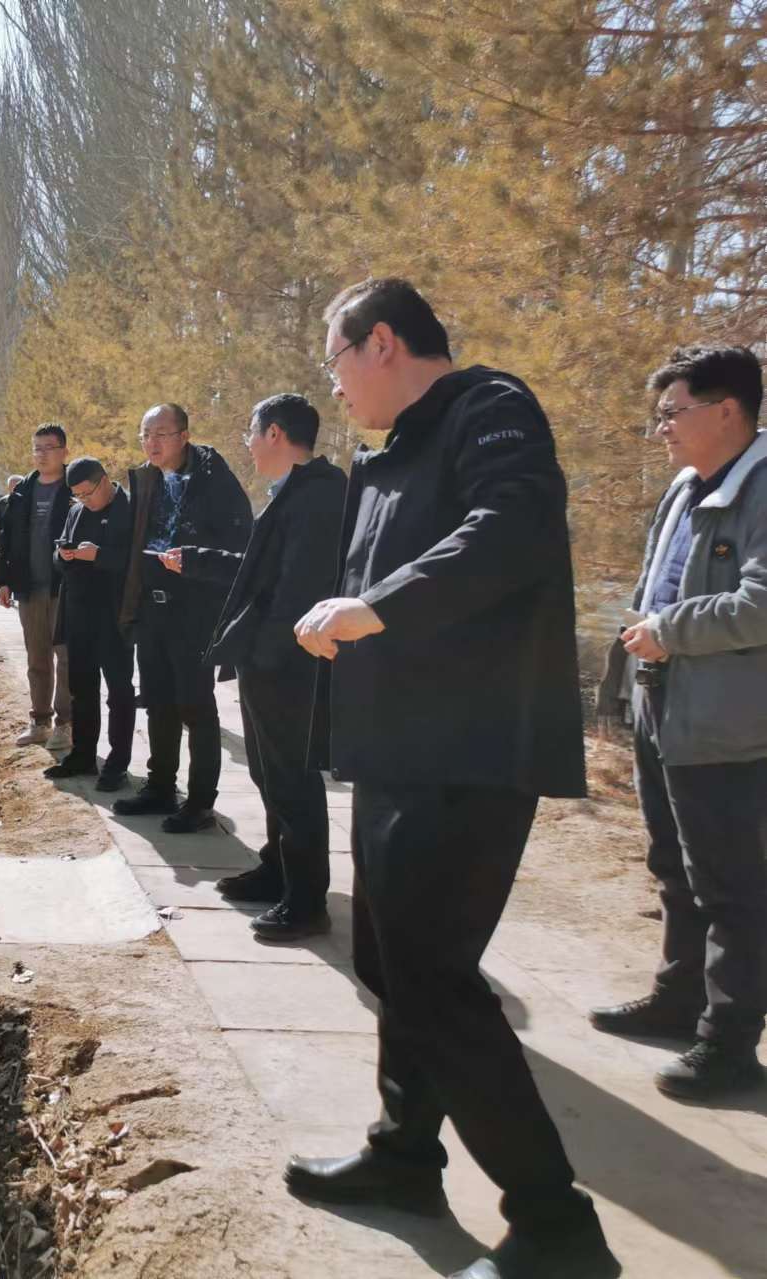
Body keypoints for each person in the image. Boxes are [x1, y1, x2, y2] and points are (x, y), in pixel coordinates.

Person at [288, 278, 617, 1279]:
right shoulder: (383, 457)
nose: (333, 386)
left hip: (471, 754)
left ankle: (554, 1224)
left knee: (434, 977)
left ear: (381, 342)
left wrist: (373, 606)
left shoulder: (491, 409)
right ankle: (402, 1153)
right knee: (389, 967)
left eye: (336, 360)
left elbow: (511, 531)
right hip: (395, 752)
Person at [592, 344, 767, 1101]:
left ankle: (729, 1045)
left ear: (727, 410)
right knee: (673, 866)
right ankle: (678, 996)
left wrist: (670, 628)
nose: (661, 427)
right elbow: (649, 586)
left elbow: (759, 601)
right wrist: (622, 675)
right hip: (663, 703)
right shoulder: (684, 486)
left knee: (731, 885)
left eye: (674, 411)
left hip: (728, 720)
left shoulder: (763, 487)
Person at [190, 394, 345, 941]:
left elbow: (302, 588)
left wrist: (270, 654)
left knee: (292, 778)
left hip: (288, 662)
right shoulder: (292, 492)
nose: (248, 446)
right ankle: (277, 868)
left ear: (276, 433)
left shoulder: (322, 495)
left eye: (252, 434)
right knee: (266, 770)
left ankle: (306, 901)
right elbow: (264, 570)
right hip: (267, 658)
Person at [114, 403, 251, 832]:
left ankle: (201, 802)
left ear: (184, 436)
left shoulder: (214, 480)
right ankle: (159, 787)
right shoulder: (147, 478)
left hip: (194, 609)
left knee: (195, 705)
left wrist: (193, 560)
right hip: (153, 605)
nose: (151, 443)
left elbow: (240, 548)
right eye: (145, 434)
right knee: (157, 701)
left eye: (161, 434)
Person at [46, 456, 135, 790]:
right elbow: (57, 556)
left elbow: (134, 560)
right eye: (77, 495)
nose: (84, 500)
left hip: (115, 615)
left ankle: (118, 762)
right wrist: (64, 555)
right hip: (79, 612)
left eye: (88, 493)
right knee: (81, 689)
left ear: (105, 480)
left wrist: (98, 555)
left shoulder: (128, 508)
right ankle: (83, 754)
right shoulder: (76, 511)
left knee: (119, 691)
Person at [0, 424, 74, 753]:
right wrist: (4, 581)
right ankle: (40, 721)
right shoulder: (23, 491)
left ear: (64, 451)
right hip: (30, 589)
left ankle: (65, 725)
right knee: (36, 658)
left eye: (49, 447)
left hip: (64, 589)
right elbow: (7, 539)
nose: (41, 454)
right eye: (37, 447)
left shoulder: (75, 489)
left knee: (66, 659)